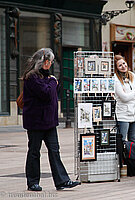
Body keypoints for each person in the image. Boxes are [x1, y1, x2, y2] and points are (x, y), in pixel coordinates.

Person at [22, 48, 80, 191]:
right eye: (51, 61)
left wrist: (52, 81)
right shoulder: (32, 77)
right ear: (45, 62)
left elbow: (53, 92)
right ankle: (32, 182)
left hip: (49, 122)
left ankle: (62, 181)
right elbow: (46, 93)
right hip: (36, 122)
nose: (52, 64)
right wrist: (53, 81)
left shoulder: (47, 78)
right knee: (34, 152)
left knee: (54, 151)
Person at [114, 55, 135, 142]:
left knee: (133, 141)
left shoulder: (132, 75)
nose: (123, 66)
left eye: (124, 63)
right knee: (121, 141)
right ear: (116, 68)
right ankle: (121, 156)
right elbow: (124, 98)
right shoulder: (115, 79)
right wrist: (134, 92)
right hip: (123, 114)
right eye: (120, 65)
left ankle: (131, 156)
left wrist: (130, 94)